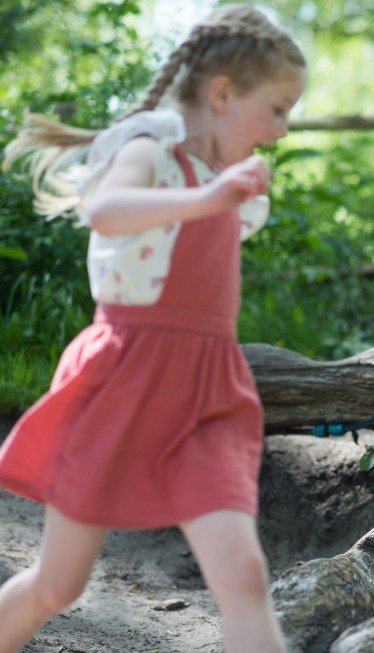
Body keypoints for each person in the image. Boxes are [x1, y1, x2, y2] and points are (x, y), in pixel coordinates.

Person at [0, 6, 307, 651]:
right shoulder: (150, 153)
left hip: (208, 393)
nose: (281, 130)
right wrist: (207, 200)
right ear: (222, 94)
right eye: (276, 109)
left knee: (245, 575)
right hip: (124, 376)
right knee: (58, 586)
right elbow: (107, 210)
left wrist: (220, 195)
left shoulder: (226, 184)